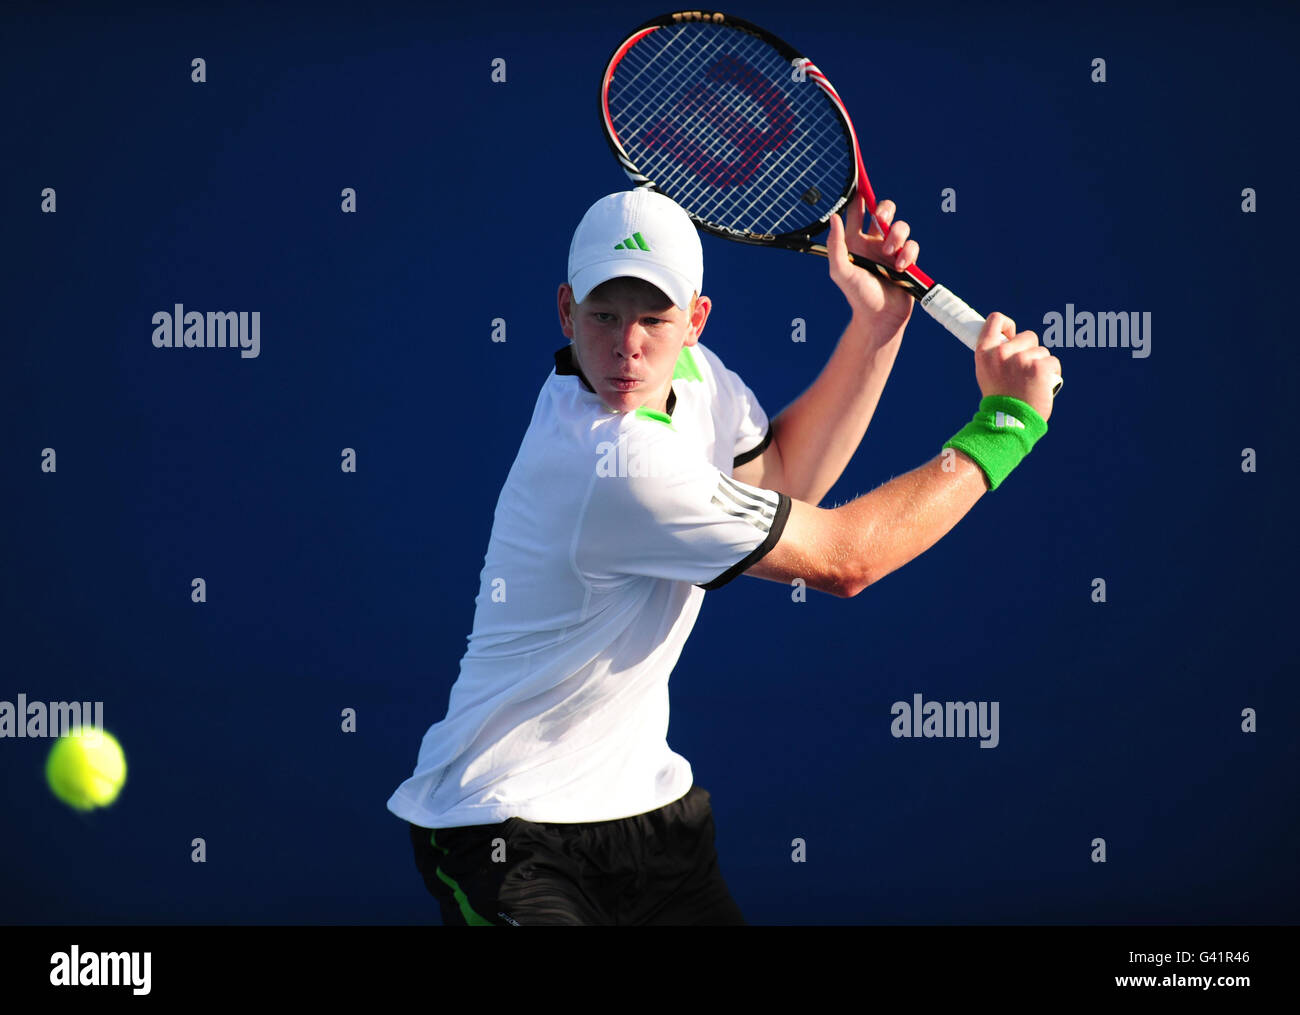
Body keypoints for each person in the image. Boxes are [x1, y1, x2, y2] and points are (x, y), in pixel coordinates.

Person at [388, 187, 1061, 925]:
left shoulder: (699, 380)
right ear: (565, 312)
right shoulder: (610, 464)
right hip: (504, 826)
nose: (628, 345)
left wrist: (876, 328)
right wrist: (1006, 425)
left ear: (695, 322)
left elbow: (785, 482)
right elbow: (844, 560)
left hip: (649, 813)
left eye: (653, 318)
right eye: (604, 316)